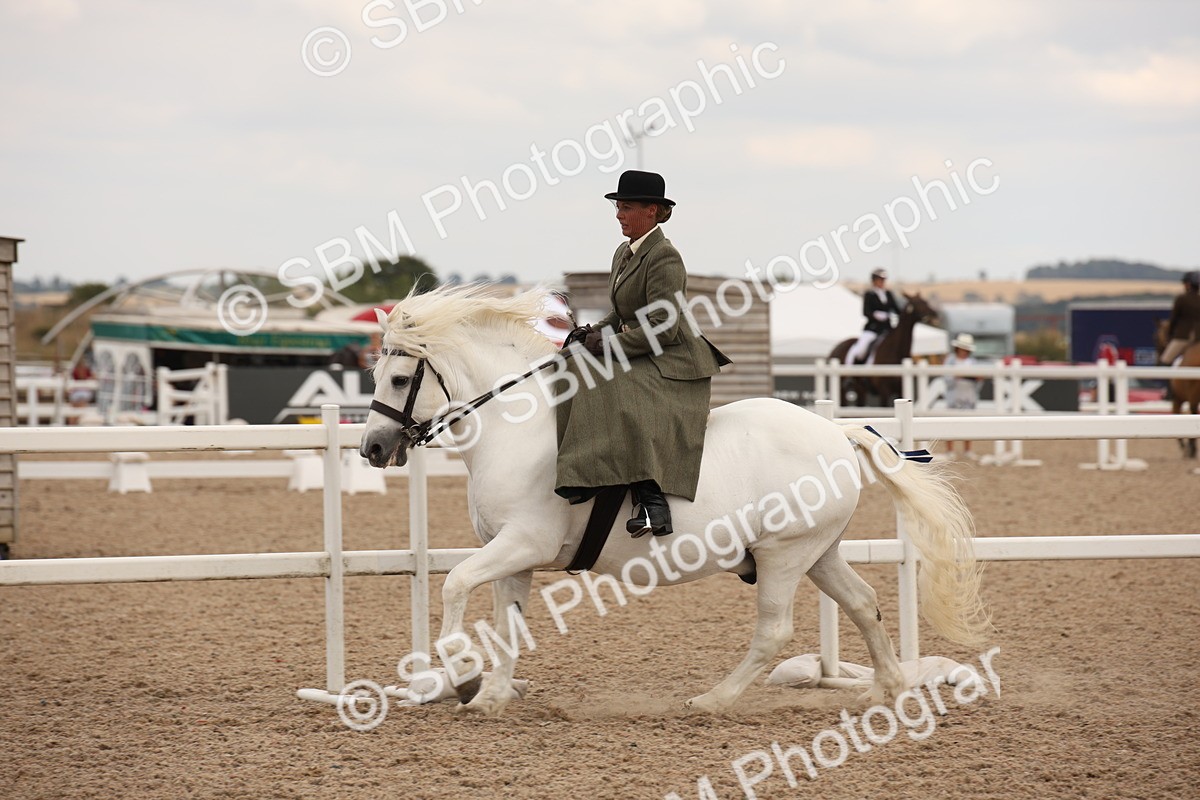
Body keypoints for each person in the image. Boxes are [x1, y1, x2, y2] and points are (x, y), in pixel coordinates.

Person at [555, 170, 731, 537]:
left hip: (674, 360)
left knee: (612, 381)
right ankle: (582, 474)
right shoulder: (624, 252)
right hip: (642, 348)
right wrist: (589, 333)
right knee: (568, 366)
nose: (619, 214)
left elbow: (662, 329)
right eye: (618, 207)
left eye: (627, 207)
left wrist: (605, 346)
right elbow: (620, 313)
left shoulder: (665, 256)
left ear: (652, 211)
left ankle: (653, 502)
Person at [845, 268, 901, 365]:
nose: (882, 282)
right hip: (873, 329)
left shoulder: (888, 294)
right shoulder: (869, 295)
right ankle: (852, 370)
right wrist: (875, 315)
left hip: (887, 329)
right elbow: (866, 312)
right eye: (879, 280)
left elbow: (896, 309)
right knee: (860, 350)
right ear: (874, 281)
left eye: (883, 280)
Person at [943, 333, 979, 460]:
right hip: (954, 395)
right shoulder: (950, 361)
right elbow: (947, 379)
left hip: (968, 395)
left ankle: (968, 450)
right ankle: (949, 450)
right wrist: (957, 376)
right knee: (950, 422)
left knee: (969, 423)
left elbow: (978, 379)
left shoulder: (973, 362)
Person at [1160, 271, 1200, 365]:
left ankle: (1165, 378)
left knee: (1165, 360)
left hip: (1183, 336)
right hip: (1199, 337)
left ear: (1188, 285)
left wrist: (1170, 334)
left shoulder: (1181, 298)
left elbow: (1174, 319)